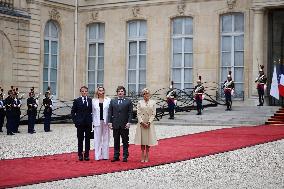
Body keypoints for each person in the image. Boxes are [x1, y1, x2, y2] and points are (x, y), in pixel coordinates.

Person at [108, 86, 133, 162]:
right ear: (117, 92)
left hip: (124, 124)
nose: (120, 92)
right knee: (116, 141)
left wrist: (129, 122)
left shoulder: (128, 101)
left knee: (125, 141)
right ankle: (116, 156)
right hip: (115, 124)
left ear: (124, 92)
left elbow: (130, 113)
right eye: (119, 91)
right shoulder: (113, 101)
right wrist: (109, 122)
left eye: (122, 91)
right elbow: (110, 113)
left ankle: (125, 155)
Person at [134, 88, 158, 163]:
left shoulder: (153, 102)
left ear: (149, 94)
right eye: (144, 93)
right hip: (141, 123)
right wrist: (141, 122)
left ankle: (147, 154)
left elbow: (154, 113)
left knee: (148, 140)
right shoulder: (140, 102)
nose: (146, 95)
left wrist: (149, 122)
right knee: (142, 139)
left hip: (149, 123)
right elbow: (138, 113)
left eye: (147, 93)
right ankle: (142, 154)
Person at [71, 86, 93, 161]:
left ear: (87, 92)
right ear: (80, 92)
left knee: (87, 140)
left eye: (85, 91)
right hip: (80, 124)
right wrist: (75, 122)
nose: (84, 92)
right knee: (80, 140)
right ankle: (80, 154)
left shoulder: (90, 100)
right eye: (83, 91)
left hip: (88, 124)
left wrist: (92, 121)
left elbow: (93, 112)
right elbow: (73, 112)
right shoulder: (77, 101)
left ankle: (86, 155)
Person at [92, 86, 111, 160]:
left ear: (104, 91)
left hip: (106, 121)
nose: (101, 92)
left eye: (102, 90)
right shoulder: (94, 101)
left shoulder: (108, 100)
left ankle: (105, 156)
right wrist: (93, 123)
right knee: (97, 139)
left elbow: (110, 112)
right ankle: (97, 156)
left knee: (106, 138)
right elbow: (93, 112)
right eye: (99, 90)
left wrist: (110, 121)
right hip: (97, 122)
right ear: (97, 92)